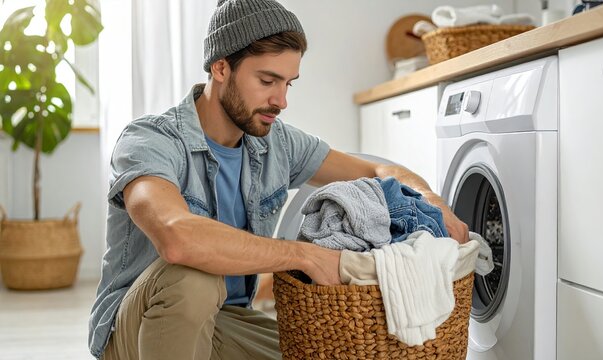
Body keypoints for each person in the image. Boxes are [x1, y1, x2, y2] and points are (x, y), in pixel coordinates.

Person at [88, 0, 469, 359]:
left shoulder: (275, 142)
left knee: (325, 349)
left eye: (289, 83)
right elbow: (177, 238)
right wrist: (304, 255)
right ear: (221, 69)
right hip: (134, 331)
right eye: (268, 80)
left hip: (227, 320)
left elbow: (380, 171)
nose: (281, 100)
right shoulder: (150, 140)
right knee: (193, 279)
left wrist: (430, 203)